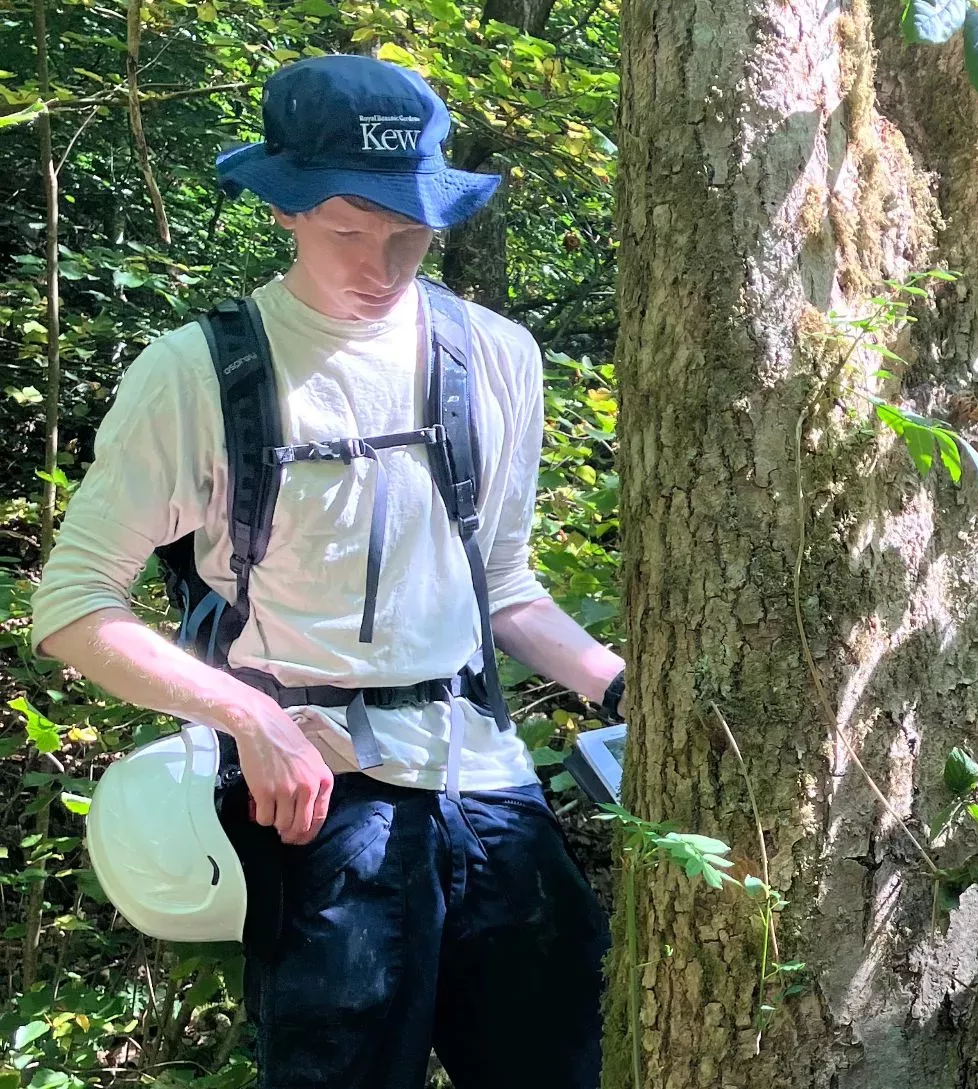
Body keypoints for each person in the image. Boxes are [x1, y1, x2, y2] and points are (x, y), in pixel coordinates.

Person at [30, 54, 619, 1088]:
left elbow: (505, 587)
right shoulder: (199, 374)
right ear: (287, 209)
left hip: (487, 782)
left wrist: (617, 685)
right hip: (314, 798)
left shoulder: (496, 355)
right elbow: (73, 606)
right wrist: (248, 720)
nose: (383, 264)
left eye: (411, 232)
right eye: (350, 228)